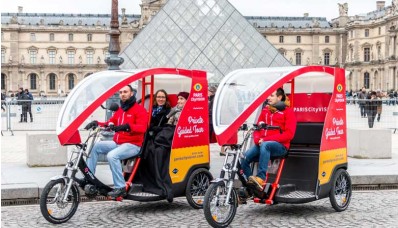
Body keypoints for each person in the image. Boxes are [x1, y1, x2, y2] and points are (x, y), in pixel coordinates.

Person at [84, 85, 148, 198]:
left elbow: (142, 128)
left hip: (133, 144)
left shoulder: (139, 110)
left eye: (125, 92)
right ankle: (89, 177)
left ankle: (120, 187)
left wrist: (127, 127)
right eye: (121, 92)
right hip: (118, 143)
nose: (122, 94)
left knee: (112, 156)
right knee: (96, 147)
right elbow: (110, 123)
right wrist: (96, 123)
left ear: (131, 93)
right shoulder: (120, 110)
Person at [241, 88, 297, 191]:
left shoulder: (288, 112)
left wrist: (266, 139)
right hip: (263, 144)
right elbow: (257, 128)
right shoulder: (265, 110)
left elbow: (289, 134)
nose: (268, 98)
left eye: (271, 95)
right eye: (268, 95)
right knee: (243, 158)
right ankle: (252, 187)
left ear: (279, 97)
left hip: (281, 146)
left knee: (265, 145)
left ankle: (260, 178)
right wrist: (257, 139)